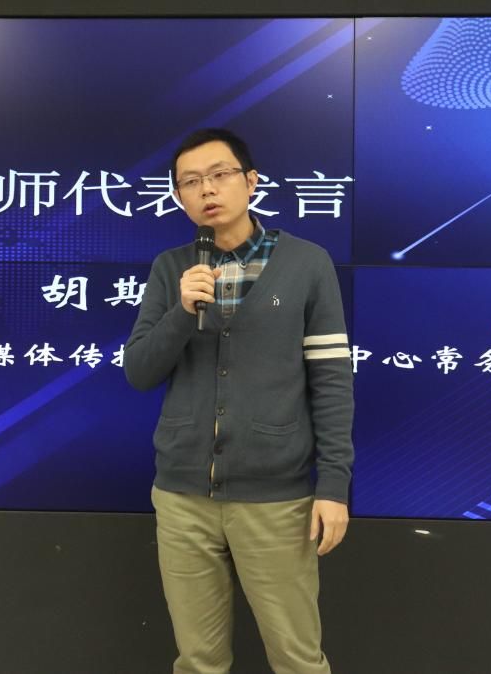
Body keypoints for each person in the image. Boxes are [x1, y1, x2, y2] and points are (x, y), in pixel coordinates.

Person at [124, 127, 354, 674]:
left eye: (220, 174)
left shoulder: (307, 263)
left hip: (276, 499)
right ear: (178, 197)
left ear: (251, 182)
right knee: (198, 660)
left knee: (297, 658)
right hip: (182, 497)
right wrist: (182, 312)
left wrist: (334, 485)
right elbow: (139, 371)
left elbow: (331, 380)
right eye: (190, 182)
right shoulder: (171, 268)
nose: (207, 189)